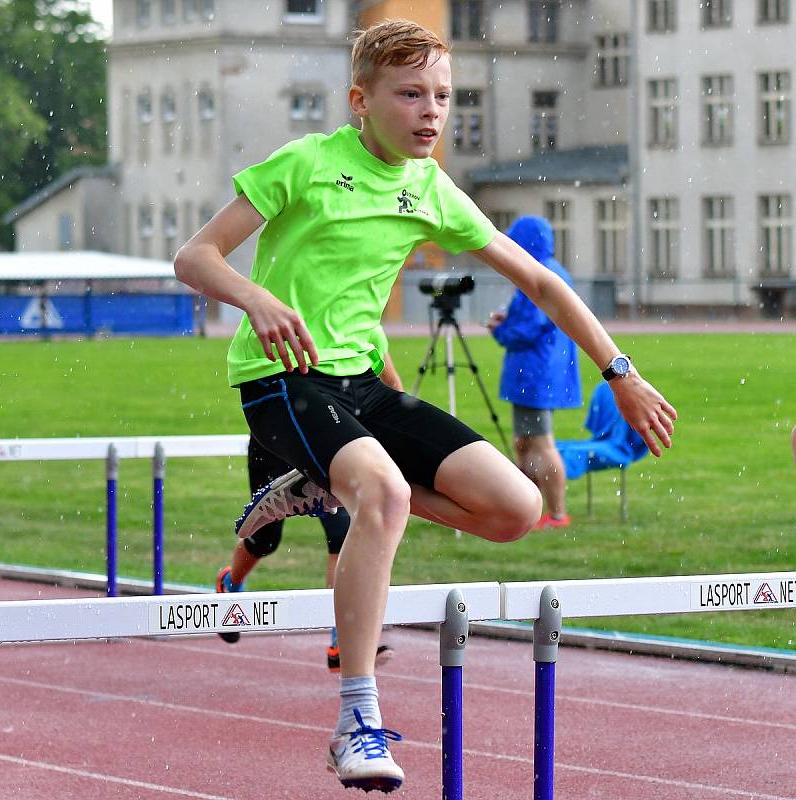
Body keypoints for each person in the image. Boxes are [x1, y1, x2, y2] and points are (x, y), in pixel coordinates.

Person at [174, 19, 677, 794]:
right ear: (360, 102)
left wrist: (620, 371)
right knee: (380, 492)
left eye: (443, 96)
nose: (431, 112)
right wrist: (257, 300)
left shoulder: (430, 188)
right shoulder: (307, 164)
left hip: (366, 387)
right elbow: (195, 257)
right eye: (410, 95)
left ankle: (314, 489)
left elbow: (539, 282)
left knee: (516, 508)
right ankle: (356, 719)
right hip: (285, 378)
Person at [216, 337, 403, 676]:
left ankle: (341, 637)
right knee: (265, 539)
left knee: (343, 532)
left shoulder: (359, 320)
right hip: (279, 434)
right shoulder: (296, 308)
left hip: (333, 433)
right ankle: (230, 583)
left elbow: (387, 373)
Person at [487, 215, 581, 530]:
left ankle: (556, 514)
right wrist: (509, 321)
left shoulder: (537, 273)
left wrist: (501, 330)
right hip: (541, 370)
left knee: (540, 442)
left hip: (534, 372)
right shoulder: (553, 271)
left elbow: (529, 328)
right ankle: (532, 511)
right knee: (526, 441)